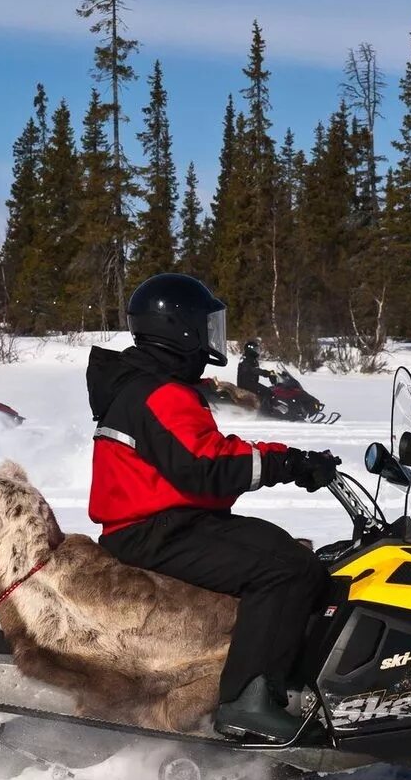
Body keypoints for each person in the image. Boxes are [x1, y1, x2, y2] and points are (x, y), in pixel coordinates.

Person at [88, 273, 340, 742]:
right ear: (179, 328)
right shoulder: (159, 393)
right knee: (287, 568)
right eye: (205, 325)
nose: (211, 336)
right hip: (157, 528)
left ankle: (287, 679)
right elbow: (206, 467)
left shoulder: (149, 385)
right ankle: (249, 702)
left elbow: (206, 448)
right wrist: (284, 465)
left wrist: (290, 457)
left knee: (278, 547)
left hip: (160, 521)